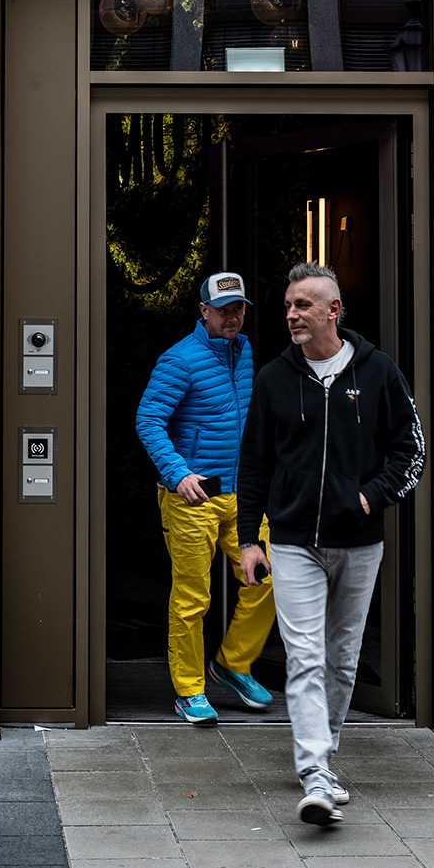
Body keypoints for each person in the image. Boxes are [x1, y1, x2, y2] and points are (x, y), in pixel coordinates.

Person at [237, 262, 424, 827]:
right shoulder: (274, 378)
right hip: (293, 541)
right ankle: (315, 774)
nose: (291, 315)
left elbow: (411, 452)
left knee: (342, 661)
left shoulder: (379, 371)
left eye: (303, 305)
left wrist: (370, 498)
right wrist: (249, 540)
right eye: (288, 306)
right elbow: (254, 464)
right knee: (305, 657)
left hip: (360, 542)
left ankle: (326, 755)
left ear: (333, 310)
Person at [135, 271, 277, 726]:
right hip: (193, 499)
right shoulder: (180, 359)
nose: (233, 317)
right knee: (192, 598)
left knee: (271, 577)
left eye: (238, 309)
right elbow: (148, 419)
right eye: (223, 309)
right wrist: (177, 474)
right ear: (204, 310)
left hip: (242, 496)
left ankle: (233, 663)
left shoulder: (244, 350)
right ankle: (189, 691)